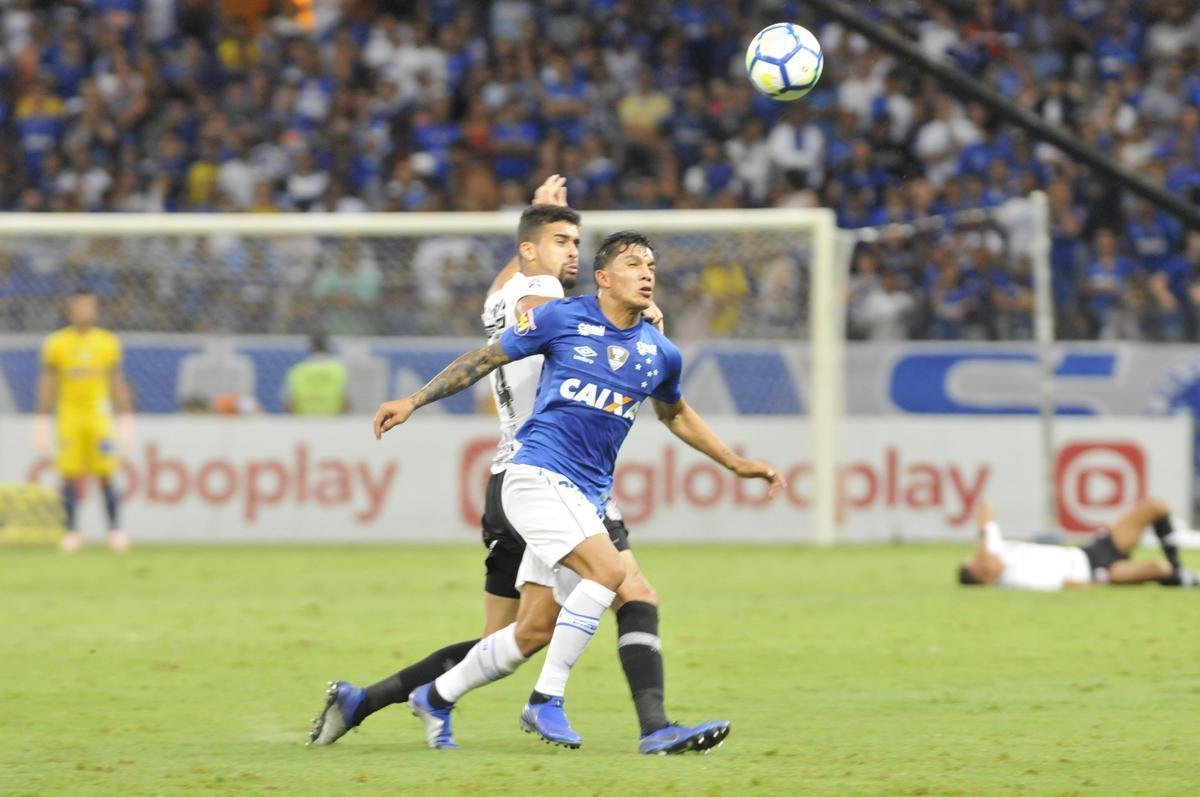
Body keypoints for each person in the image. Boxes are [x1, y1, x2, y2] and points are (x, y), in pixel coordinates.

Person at [325, 227, 785, 754]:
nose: (647, 273)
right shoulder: (561, 316)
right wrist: (414, 400)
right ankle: (558, 702)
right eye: (634, 264)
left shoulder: (660, 352)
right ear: (603, 277)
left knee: (532, 629)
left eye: (652, 266)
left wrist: (735, 462)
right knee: (615, 577)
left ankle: (427, 696)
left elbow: (674, 412)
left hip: (585, 496)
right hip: (533, 475)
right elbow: (486, 355)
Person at [35, 290, 134, 553]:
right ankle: (71, 532)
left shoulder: (107, 342)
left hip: (98, 416)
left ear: (96, 310)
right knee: (69, 475)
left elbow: (117, 382)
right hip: (69, 416)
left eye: (90, 307)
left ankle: (114, 531)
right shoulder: (56, 343)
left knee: (105, 473)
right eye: (80, 307)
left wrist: (125, 418)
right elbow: (47, 382)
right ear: (71, 310)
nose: (85, 312)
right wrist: (42, 420)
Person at [958, 497, 1198, 590]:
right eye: (986, 567)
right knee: (1157, 569)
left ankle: (1177, 567)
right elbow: (1070, 584)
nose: (990, 560)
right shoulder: (1017, 580)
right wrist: (1100, 584)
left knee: (1155, 507)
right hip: (1097, 572)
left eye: (984, 558)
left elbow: (984, 506)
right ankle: (1184, 578)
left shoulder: (993, 549)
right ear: (988, 580)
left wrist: (983, 543)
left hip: (1090, 550)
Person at [282, 331, 348, 415]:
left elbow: (289, 403)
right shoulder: (339, 370)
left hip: (303, 423)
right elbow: (346, 401)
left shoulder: (298, 370)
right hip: (332, 422)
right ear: (328, 347)